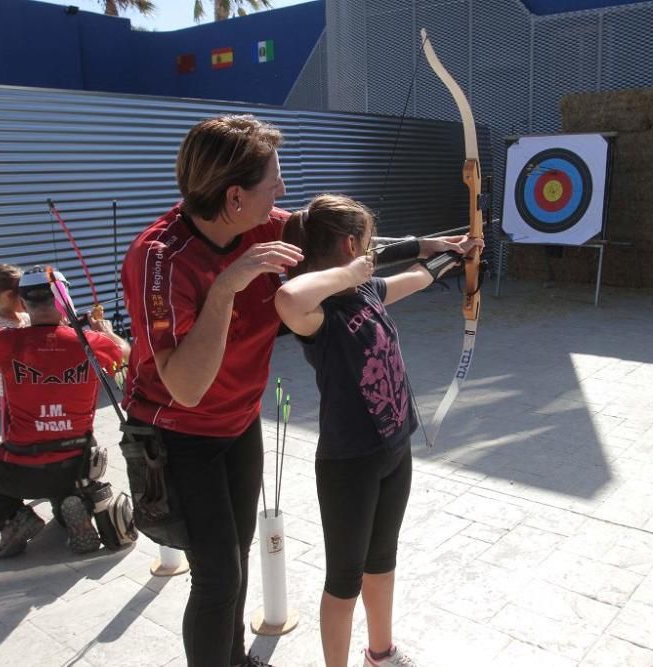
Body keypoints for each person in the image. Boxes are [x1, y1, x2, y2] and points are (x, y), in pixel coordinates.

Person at [120, 114, 302, 667]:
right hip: (179, 435)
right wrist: (226, 285)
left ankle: (236, 659)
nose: (283, 191)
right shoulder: (159, 258)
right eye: (272, 182)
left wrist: (435, 251)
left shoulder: (265, 224)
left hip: (239, 421)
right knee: (217, 577)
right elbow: (187, 386)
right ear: (233, 197)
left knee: (236, 562)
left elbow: (345, 240)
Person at [275, 194, 482, 667]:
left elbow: (415, 277)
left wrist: (454, 255)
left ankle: (381, 653)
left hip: (393, 448)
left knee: (382, 562)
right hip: (349, 463)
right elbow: (287, 297)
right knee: (344, 581)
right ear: (351, 247)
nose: (372, 252)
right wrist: (355, 271)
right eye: (366, 246)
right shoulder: (320, 313)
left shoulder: (365, 292)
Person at [0, 265, 129, 559]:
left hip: (20, 469)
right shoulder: (93, 343)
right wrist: (106, 331)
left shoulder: (5, 341)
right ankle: (74, 506)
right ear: (64, 299)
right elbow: (125, 353)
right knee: (64, 486)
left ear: (23, 302)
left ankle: (12, 517)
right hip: (76, 466)